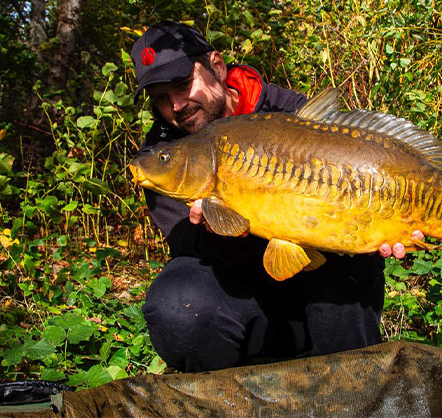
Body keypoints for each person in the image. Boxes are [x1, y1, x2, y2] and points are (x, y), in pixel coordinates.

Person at [131, 21, 422, 372]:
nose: (176, 105)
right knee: (176, 305)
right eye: (161, 98)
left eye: (182, 85)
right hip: (247, 309)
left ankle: (350, 378)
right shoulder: (165, 155)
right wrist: (225, 234)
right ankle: (241, 394)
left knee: (347, 264)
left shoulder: (286, 111)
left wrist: (389, 223)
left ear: (217, 67)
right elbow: (190, 248)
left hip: (325, 298)